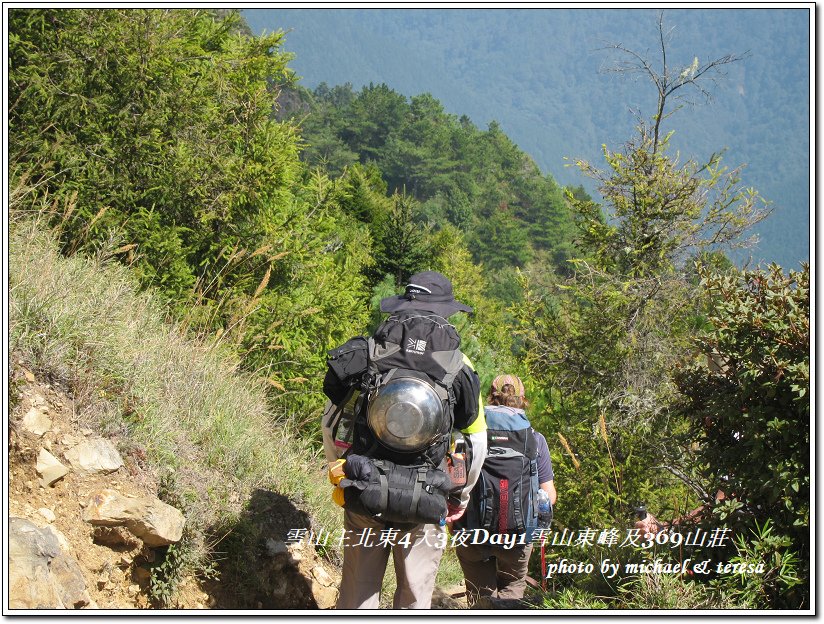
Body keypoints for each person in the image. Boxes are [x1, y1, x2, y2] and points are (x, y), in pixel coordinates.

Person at [322, 271, 487, 609]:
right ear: (445, 311)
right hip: (425, 498)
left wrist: (337, 467)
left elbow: (330, 421)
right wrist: (459, 496)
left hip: (365, 488)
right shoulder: (460, 366)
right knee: (415, 595)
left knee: (357, 591)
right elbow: (477, 443)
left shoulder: (369, 351)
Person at [454, 374, 557, 606]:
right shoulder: (535, 439)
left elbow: (456, 479)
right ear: (523, 399)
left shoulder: (471, 435)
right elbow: (548, 494)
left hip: (472, 531)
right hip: (518, 534)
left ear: (490, 397)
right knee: (513, 588)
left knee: (480, 595)